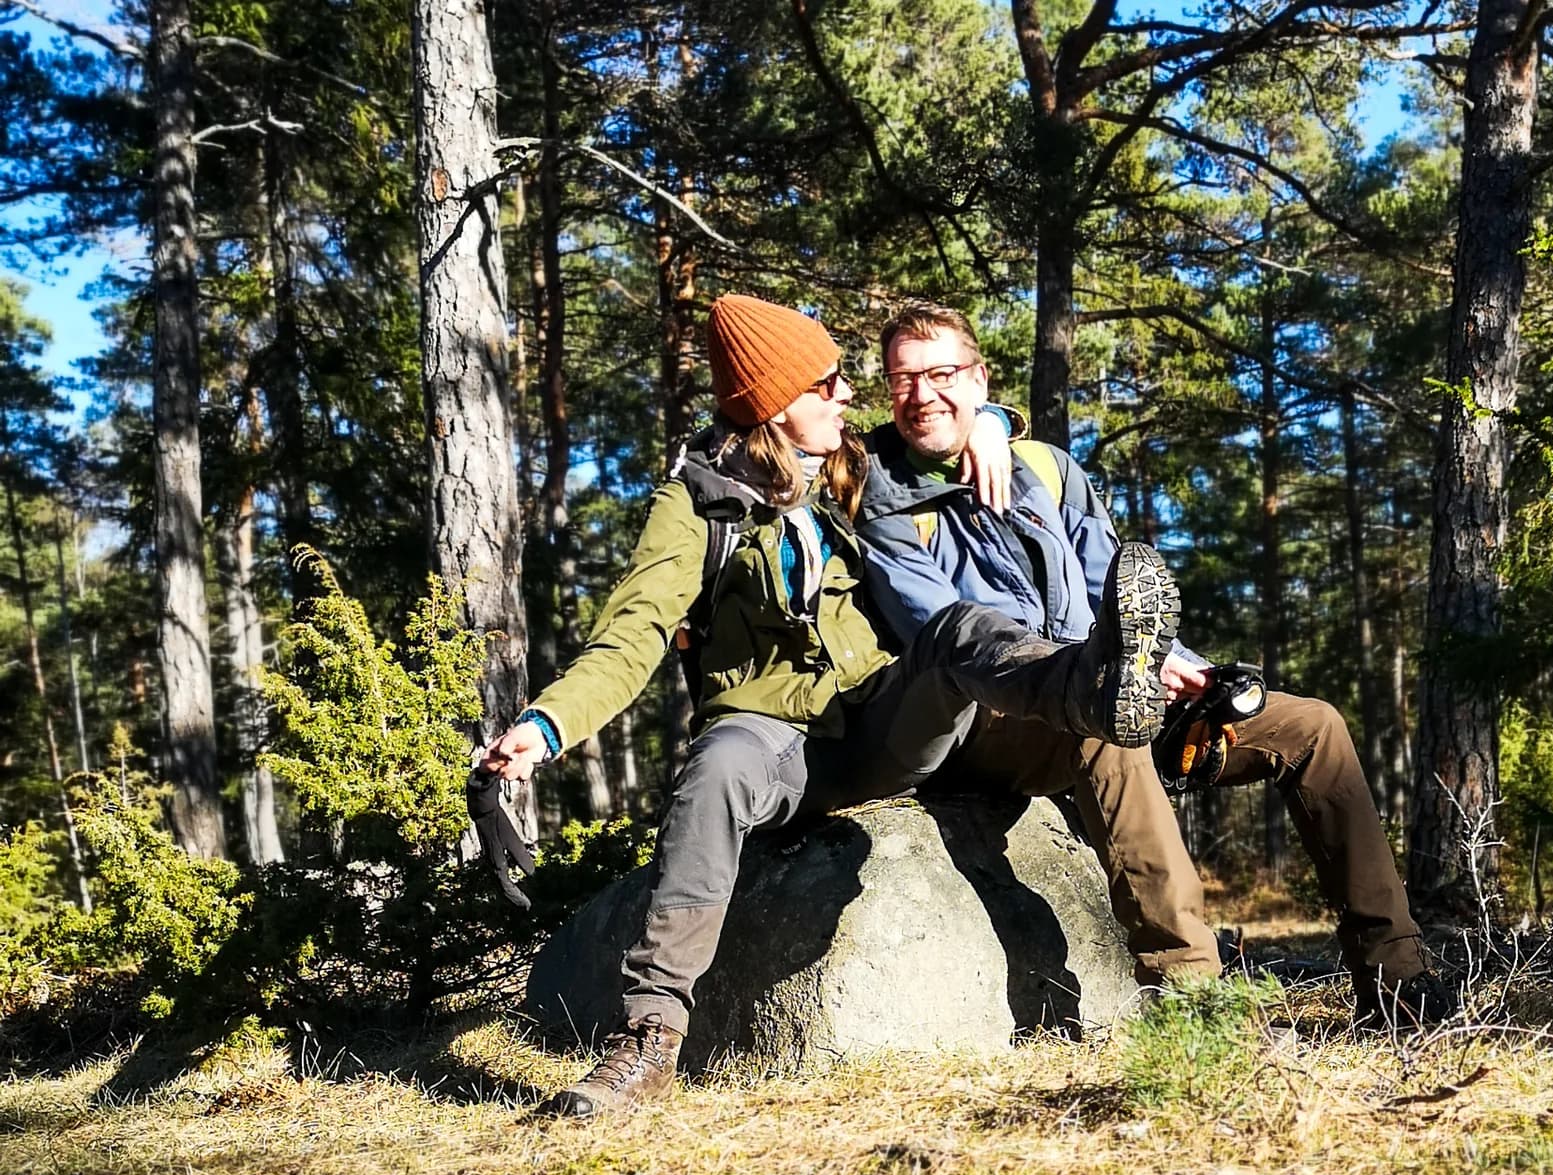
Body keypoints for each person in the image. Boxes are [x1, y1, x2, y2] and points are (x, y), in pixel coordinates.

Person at [480, 294, 1183, 1118]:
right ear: (777, 405)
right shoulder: (696, 506)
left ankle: (1095, 689)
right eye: (829, 381)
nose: (852, 393)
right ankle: (647, 1040)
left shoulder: (858, 464)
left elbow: (950, 415)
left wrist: (993, 420)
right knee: (715, 769)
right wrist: (547, 723)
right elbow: (633, 632)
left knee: (959, 629)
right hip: (773, 735)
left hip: (885, 717)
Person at [855, 302, 1451, 1031]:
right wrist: (1089, 676)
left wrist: (1183, 670)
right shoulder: (882, 503)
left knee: (1313, 729)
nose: (921, 395)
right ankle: (1192, 1003)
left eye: (941, 373)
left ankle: (1399, 981)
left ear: (980, 379)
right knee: (1103, 721)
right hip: (994, 719)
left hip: (1112, 685)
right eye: (902, 379)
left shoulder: (1047, 469)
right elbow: (946, 640)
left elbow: (1118, 587)